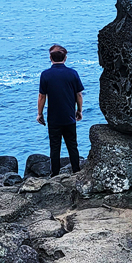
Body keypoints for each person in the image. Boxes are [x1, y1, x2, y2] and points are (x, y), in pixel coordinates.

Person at [36, 44, 84, 175]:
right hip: (69, 116)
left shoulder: (45, 75)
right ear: (65, 58)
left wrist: (40, 113)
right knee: (72, 145)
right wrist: (79, 110)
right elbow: (79, 94)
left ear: (50, 58)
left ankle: (55, 174)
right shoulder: (72, 73)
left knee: (55, 147)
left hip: (54, 117)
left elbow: (42, 96)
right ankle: (76, 171)